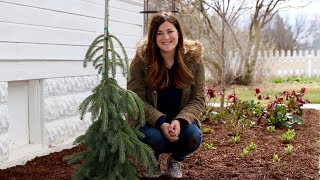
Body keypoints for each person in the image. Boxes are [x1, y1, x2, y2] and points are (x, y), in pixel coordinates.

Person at [127, 11, 205, 178]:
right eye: (160, 33)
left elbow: (198, 99)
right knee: (152, 137)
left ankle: (175, 160)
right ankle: (152, 162)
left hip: (180, 119)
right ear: (153, 37)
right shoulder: (141, 61)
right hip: (149, 121)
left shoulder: (194, 60)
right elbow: (135, 99)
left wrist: (180, 120)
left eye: (170, 31)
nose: (166, 37)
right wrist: (161, 121)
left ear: (178, 33)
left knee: (193, 137)